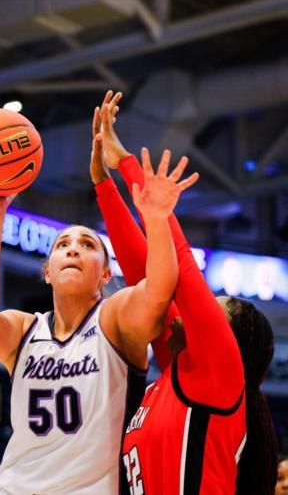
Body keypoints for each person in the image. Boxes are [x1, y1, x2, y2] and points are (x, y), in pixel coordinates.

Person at [0, 138, 197, 494]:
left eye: (87, 245)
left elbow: (159, 289)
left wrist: (157, 220)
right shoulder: (25, 330)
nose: (72, 249)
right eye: (62, 245)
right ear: (48, 271)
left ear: (104, 274)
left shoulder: (114, 319)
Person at [91, 90, 278, 494]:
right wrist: (103, 185)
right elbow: (148, 276)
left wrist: (129, 168)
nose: (189, 310)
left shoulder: (217, 372)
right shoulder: (179, 372)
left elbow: (180, 267)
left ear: (224, 336)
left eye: (212, 309)